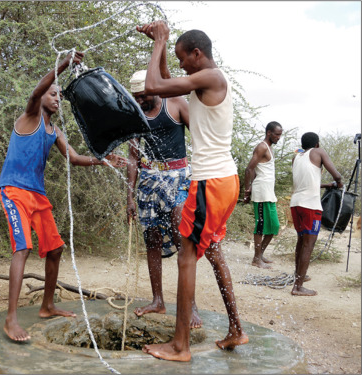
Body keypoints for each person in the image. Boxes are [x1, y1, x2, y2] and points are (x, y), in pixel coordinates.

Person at [136, 21, 249, 361]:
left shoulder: (212, 77)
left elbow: (154, 84)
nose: (181, 65)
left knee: (187, 257)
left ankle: (180, 345)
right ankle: (236, 330)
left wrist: (160, 40)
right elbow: (168, 85)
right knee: (211, 250)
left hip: (209, 182)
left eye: (183, 59)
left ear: (198, 54)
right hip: (223, 180)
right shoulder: (205, 81)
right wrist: (162, 46)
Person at [0, 51, 127, 342]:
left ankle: (47, 305)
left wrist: (103, 160)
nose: (57, 99)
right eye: (53, 94)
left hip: (37, 195)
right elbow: (35, 92)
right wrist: (63, 65)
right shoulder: (29, 116)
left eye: (59, 96)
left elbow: (75, 158)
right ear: (43, 95)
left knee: (55, 249)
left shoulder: (53, 130)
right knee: (22, 248)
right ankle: (10, 319)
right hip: (14, 191)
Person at [126, 69, 202, 328]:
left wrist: (202, 176)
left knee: (184, 240)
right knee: (152, 240)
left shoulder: (177, 104)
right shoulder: (135, 114)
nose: (140, 102)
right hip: (149, 180)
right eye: (136, 97)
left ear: (154, 88)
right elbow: (133, 157)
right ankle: (158, 300)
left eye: (143, 96)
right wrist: (129, 197)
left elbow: (200, 138)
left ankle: (190, 306)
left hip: (179, 176)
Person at [290, 132, 343, 296]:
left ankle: (299, 276)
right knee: (309, 244)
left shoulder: (297, 157)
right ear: (317, 144)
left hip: (296, 203)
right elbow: (337, 175)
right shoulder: (319, 152)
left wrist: (327, 185)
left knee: (301, 240)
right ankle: (298, 287)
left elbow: (307, 181)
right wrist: (338, 183)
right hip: (310, 205)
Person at [243, 121, 283, 269]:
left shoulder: (269, 148)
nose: (279, 137)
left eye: (280, 135)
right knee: (260, 225)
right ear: (269, 133)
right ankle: (256, 259)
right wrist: (247, 190)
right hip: (261, 192)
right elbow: (249, 169)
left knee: (274, 226)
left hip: (268, 192)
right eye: (277, 134)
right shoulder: (262, 147)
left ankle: (260, 255)